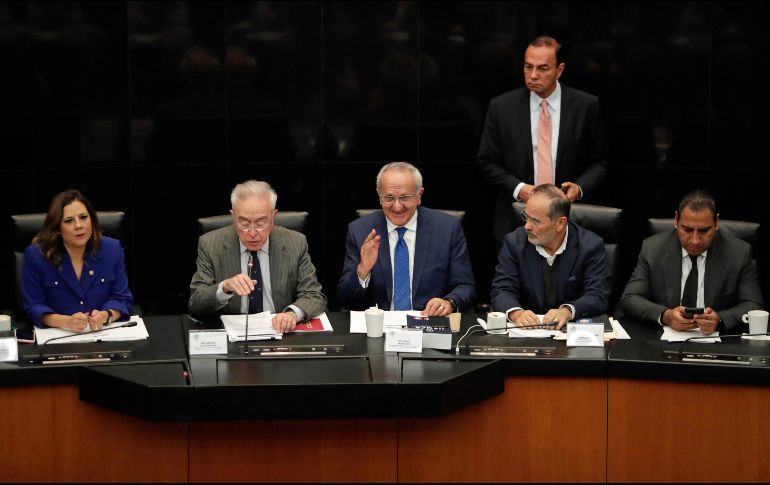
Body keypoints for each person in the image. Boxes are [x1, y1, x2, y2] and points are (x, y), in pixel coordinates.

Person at [475, 35, 609, 244]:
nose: (533, 75)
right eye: (528, 67)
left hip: (568, 220)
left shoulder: (586, 106)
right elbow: (486, 161)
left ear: (560, 70)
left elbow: (601, 161)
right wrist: (520, 189)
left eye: (543, 68)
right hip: (516, 221)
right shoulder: (502, 107)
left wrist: (579, 188)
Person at [337, 161, 476, 315]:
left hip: (427, 323)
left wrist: (449, 302)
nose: (397, 206)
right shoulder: (360, 230)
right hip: (379, 326)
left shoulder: (447, 229)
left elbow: (466, 287)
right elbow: (346, 300)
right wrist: (362, 271)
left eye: (405, 198)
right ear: (379, 196)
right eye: (389, 198)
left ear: (419, 195)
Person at [618, 190, 763, 335]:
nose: (695, 240)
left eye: (704, 231)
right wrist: (666, 316)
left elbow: (753, 306)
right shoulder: (653, 249)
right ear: (676, 220)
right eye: (687, 229)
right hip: (662, 341)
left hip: (717, 342)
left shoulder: (738, 253)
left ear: (717, 223)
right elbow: (630, 299)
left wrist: (720, 319)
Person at [189, 180, 326, 333]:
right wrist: (224, 288)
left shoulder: (295, 242)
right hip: (232, 336)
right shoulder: (210, 244)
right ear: (233, 217)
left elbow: (313, 295)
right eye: (244, 224)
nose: (253, 233)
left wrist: (292, 314)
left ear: (273, 216)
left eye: (261, 223)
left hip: (280, 332)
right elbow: (196, 303)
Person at [491, 184, 609, 329]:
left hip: (570, 334)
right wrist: (516, 313)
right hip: (526, 334)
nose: (527, 226)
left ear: (560, 223)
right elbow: (502, 290)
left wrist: (568, 311)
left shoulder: (590, 246)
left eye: (535, 221)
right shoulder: (514, 242)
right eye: (526, 217)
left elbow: (598, 294)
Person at [23, 190, 132, 330]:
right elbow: (34, 306)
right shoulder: (37, 255)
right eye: (69, 221)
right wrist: (65, 322)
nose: (79, 225)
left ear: (91, 219)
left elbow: (121, 298)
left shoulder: (111, 249)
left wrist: (106, 315)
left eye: (83, 217)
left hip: (102, 335)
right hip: (58, 338)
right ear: (57, 228)